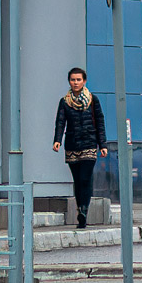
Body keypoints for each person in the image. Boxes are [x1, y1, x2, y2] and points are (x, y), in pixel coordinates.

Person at [52, 67, 107, 228]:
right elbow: (60, 122)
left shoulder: (93, 99)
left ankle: (84, 209)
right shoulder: (64, 102)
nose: (75, 83)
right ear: (69, 81)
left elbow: (100, 122)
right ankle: (80, 211)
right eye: (73, 80)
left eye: (78, 80)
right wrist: (57, 140)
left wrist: (102, 145)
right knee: (77, 180)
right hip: (72, 145)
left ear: (84, 81)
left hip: (89, 143)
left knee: (85, 178)